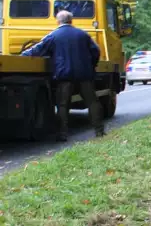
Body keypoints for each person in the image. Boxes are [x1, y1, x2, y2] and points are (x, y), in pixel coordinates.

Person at [22, 10, 104, 141]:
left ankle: (62, 134)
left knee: (63, 105)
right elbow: (96, 51)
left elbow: (38, 50)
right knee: (92, 102)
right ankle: (99, 131)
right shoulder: (83, 35)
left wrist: (21, 56)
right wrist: (91, 65)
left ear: (58, 21)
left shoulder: (54, 35)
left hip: (64, 76)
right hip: (84, 74)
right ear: (71, 21)